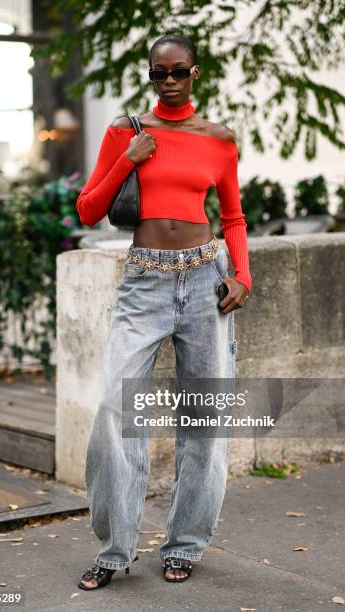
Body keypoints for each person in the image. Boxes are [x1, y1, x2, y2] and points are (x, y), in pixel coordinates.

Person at [76, 33, 252, 590]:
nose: (169, 82)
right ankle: (114, 548)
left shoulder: (220, 140)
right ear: (150, 74)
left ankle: (185, 543)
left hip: (206, 281)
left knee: (204, 422)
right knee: (113, 411)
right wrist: (126, 161)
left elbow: (233, 217)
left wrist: (242, 274)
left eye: (179, 72)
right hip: (144, 283)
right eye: (159, 73)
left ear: (195, 74)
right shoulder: (125, 132)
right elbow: (87, 211)